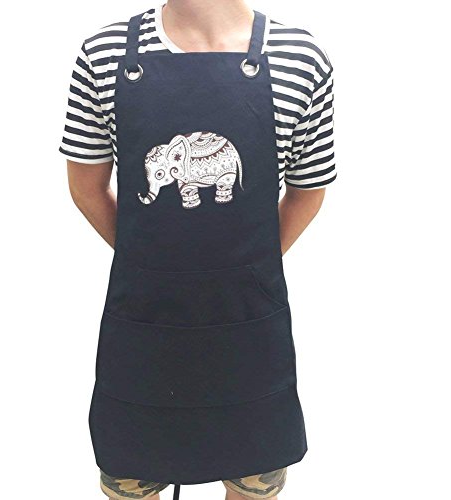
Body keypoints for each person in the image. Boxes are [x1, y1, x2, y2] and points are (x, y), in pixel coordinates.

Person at [59, 1, 336, 499]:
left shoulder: (301, 57)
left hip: (248, 327)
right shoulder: (104, 53)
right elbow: (86, 188)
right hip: (143, 327)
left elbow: (307, 193)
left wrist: (248, 266)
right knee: (129, 481)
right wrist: (149, 260)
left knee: (254, 482)